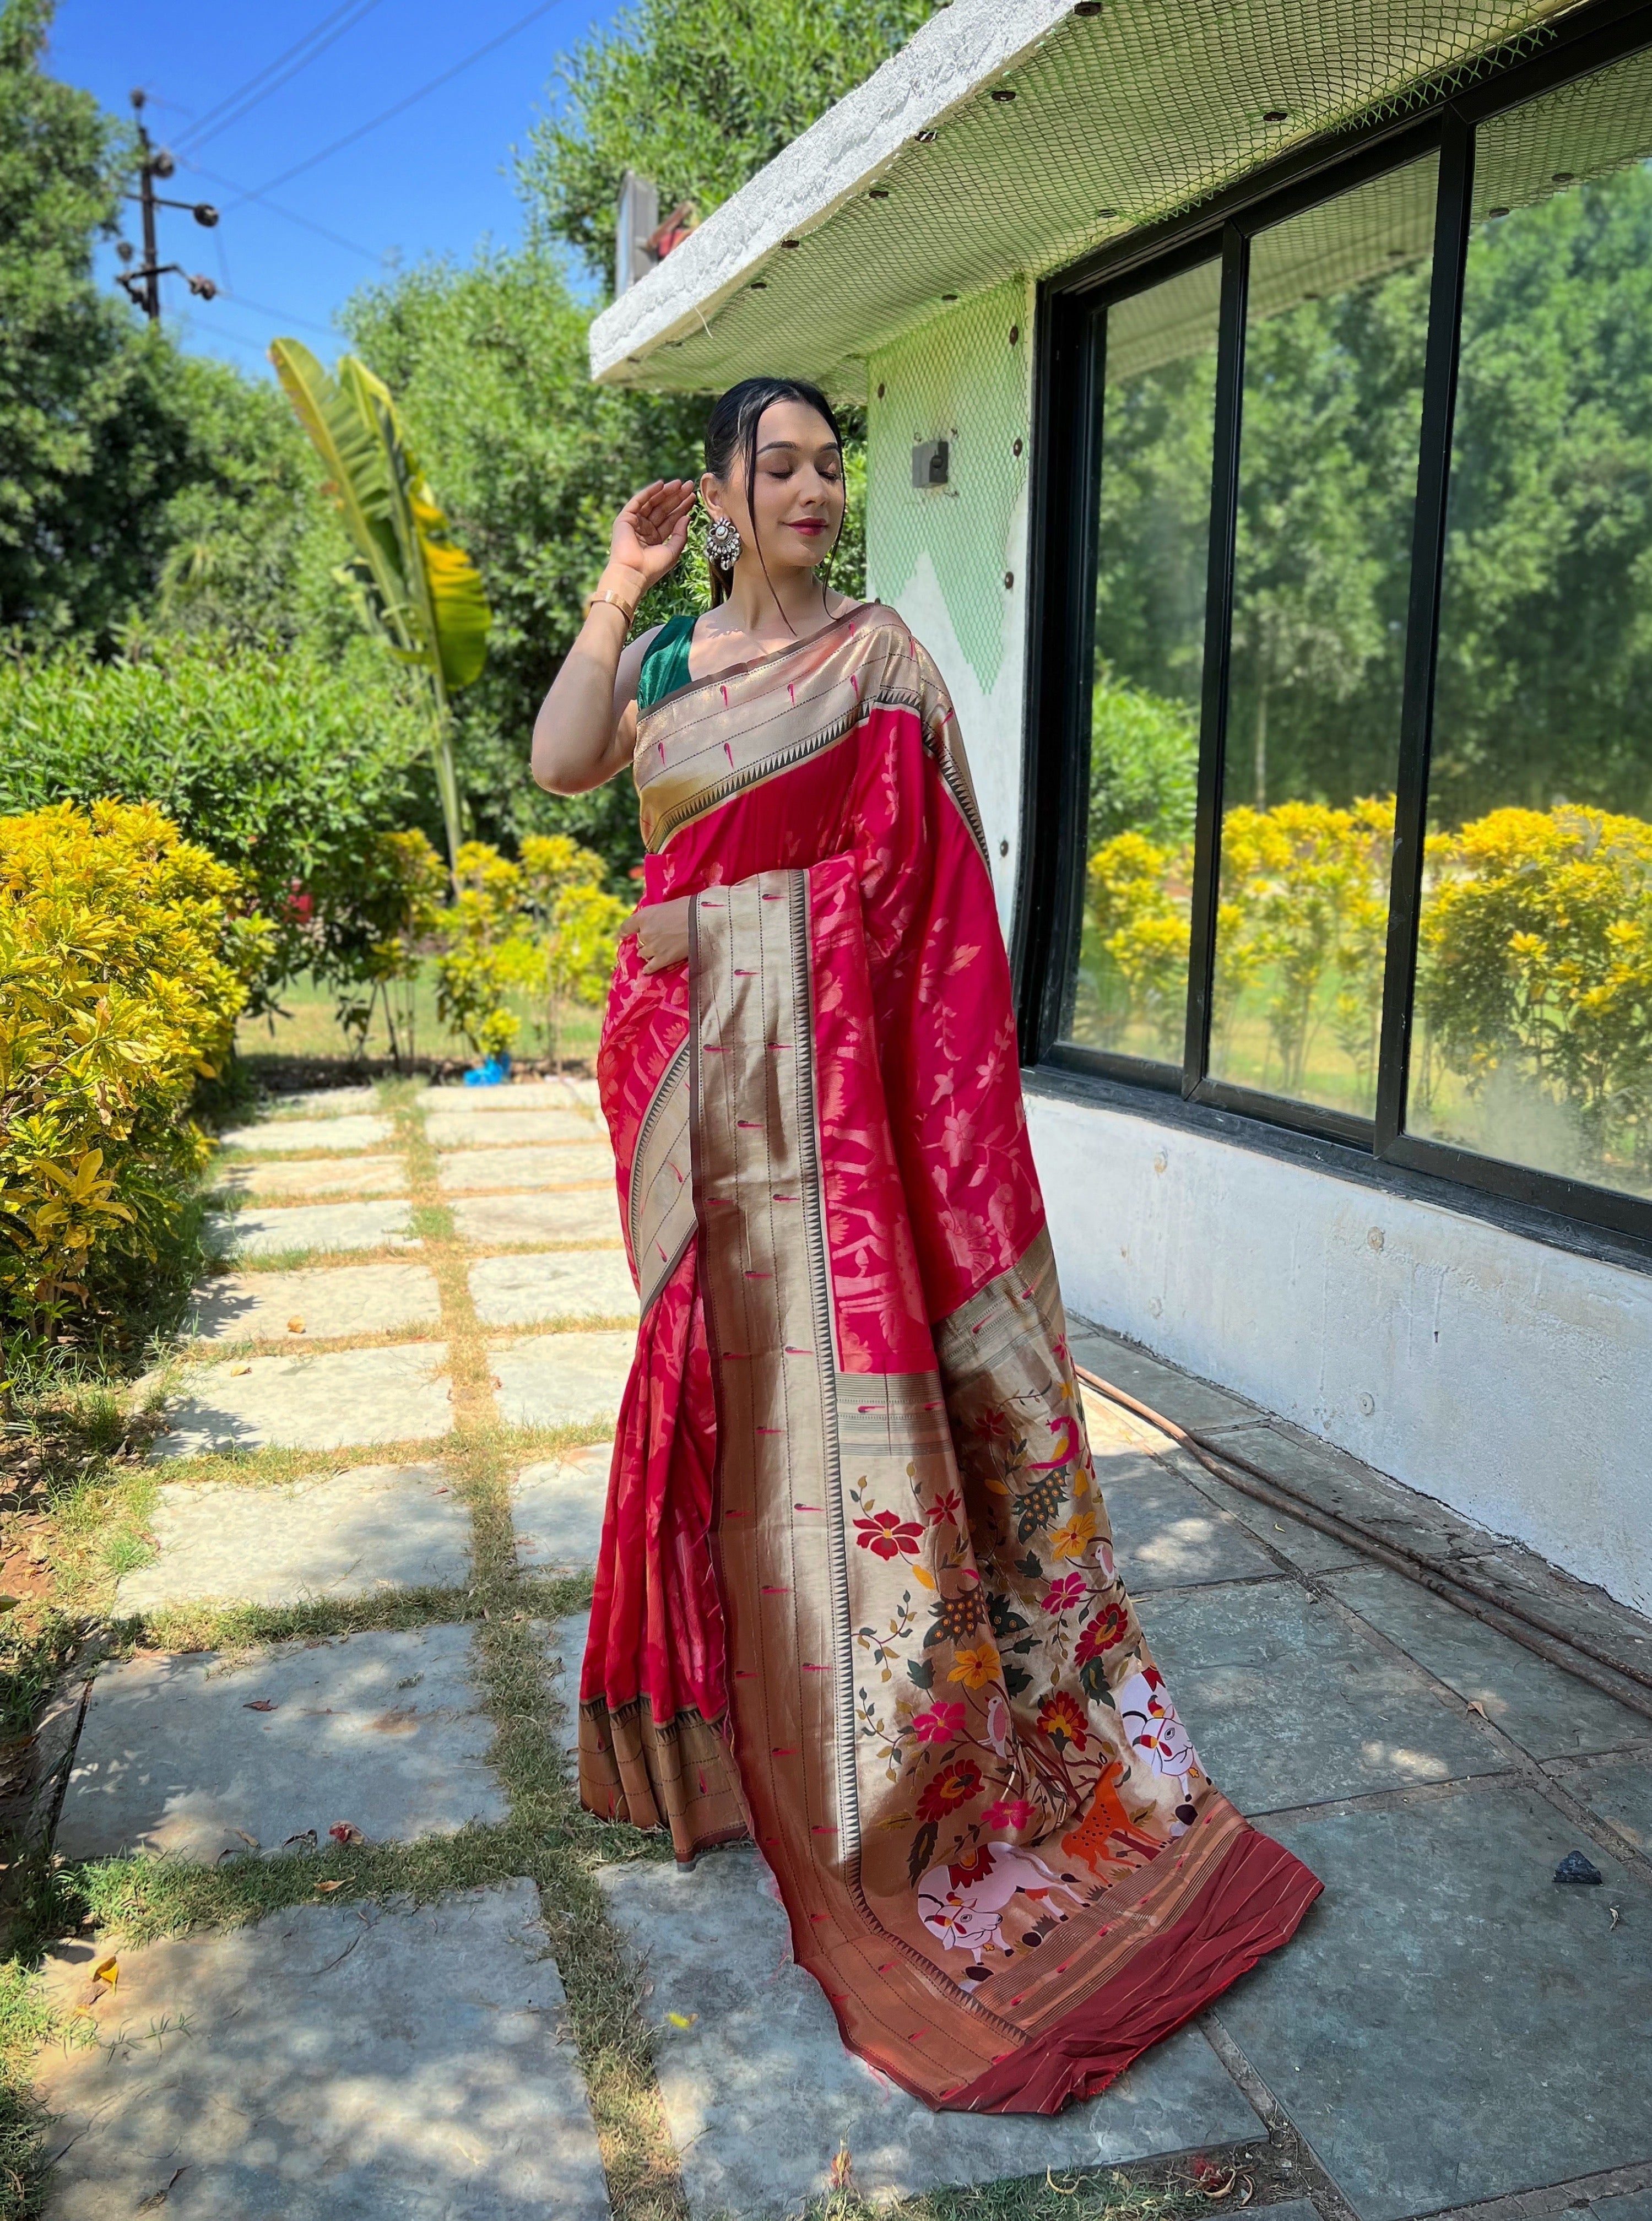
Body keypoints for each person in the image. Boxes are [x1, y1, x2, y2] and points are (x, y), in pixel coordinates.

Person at [531, 376, 1320, 2115]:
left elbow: (937, 910)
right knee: (708, 1395)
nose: (816, 489)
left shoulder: (884, 662)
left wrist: (783, 966)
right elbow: (560, 761)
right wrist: (617, 588)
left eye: (832, 466)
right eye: (782, 467)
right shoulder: (667, 670)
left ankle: (892, 1760)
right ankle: (711, 1751)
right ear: (724, 496)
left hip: (842, 1112)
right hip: (688, 1083)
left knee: (856, 1427)